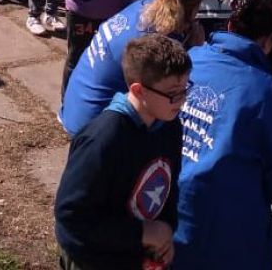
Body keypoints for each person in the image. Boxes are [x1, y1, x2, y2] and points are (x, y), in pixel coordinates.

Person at [174, 0, 272, 270]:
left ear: (230, 24)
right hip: (227, 233)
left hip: (166, 208)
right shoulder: (269, 93)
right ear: (269, 42)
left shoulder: (192, 59)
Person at [55, 34, 190, 270]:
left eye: (185, 89)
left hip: (135, 254)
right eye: (173, 94)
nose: (182, 101)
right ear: (138, 91)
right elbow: (71, 215)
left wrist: (166, 231)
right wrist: (143, 232)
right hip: (95, 260)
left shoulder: (169, 124)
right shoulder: (102, 140)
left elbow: (168, 186)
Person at [59, 0, 204, 136]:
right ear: (192, 11)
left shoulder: (142, 4)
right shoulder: (161, 42)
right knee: (171, 107)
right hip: (94, 127)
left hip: (75, 104)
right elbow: (173, 87)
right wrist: (196, 49)